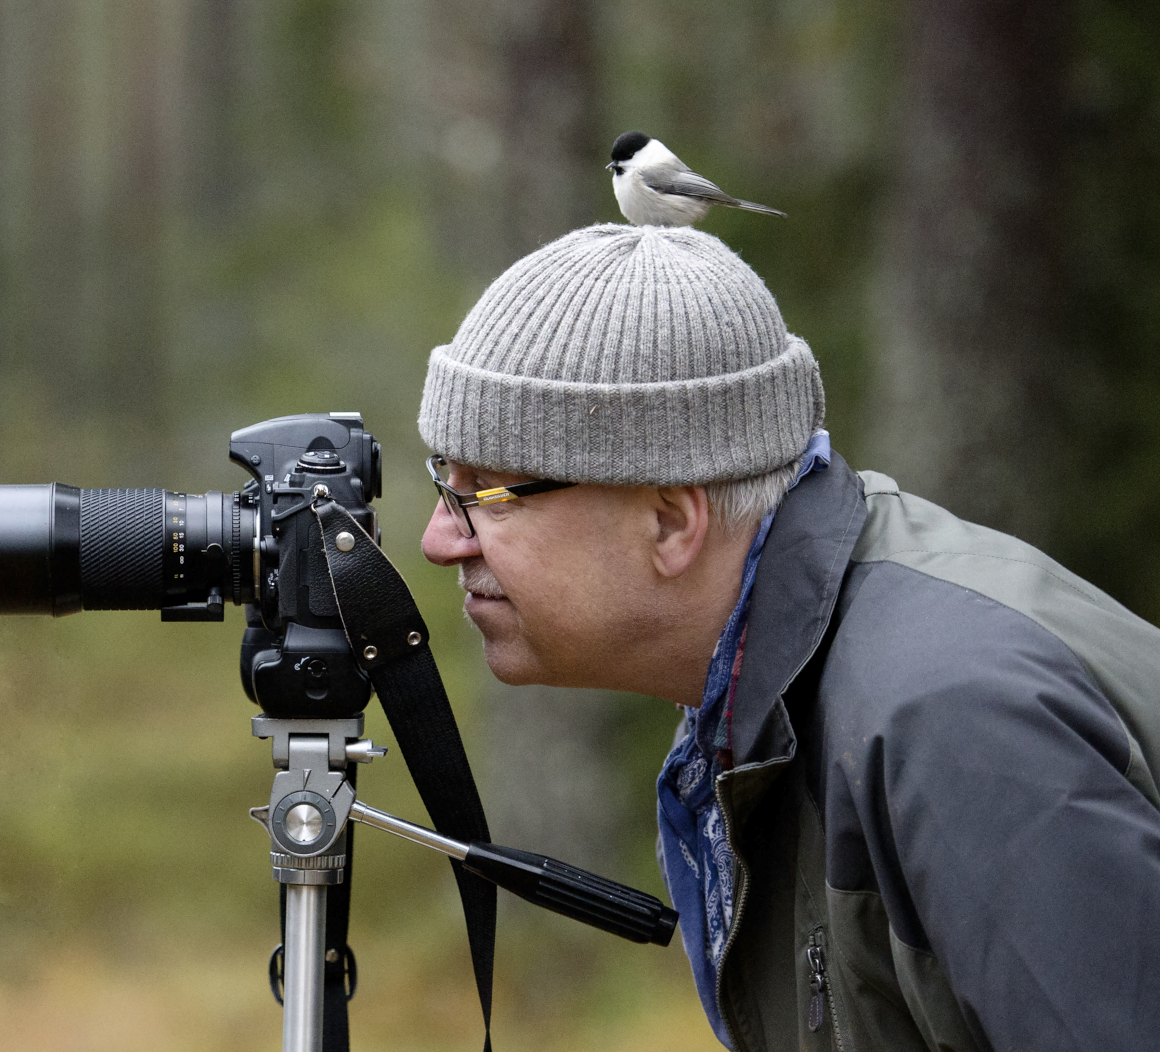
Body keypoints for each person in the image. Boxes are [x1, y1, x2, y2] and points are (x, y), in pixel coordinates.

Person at [415, 223, 1160, 1052]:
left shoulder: (949, 721)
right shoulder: (771, 694)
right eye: (445, 484)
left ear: (669, 522)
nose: (440, 540)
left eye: (486, 494)